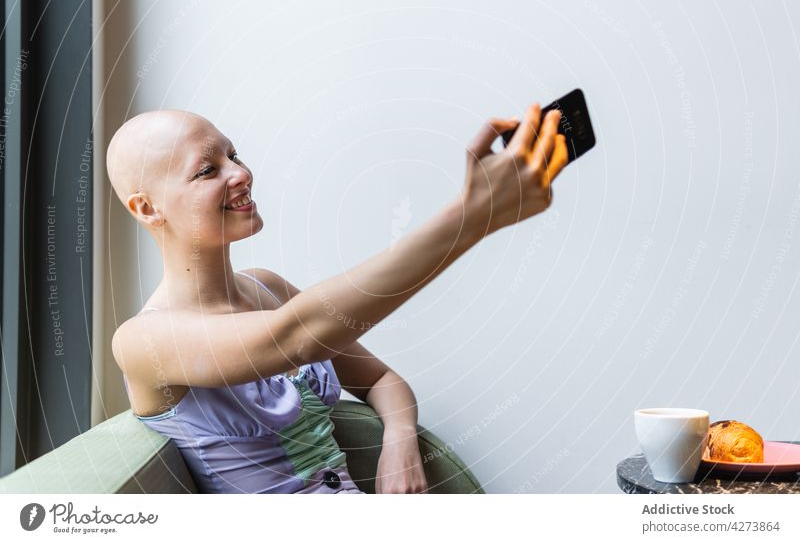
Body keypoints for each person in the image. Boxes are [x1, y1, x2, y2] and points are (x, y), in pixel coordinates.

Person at [106, 104, 568, 494]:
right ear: (147, 208)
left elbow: (381, 378)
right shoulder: (143, 341)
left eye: (233, 155)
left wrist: (400, 443)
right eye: (207, 170)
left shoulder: (267, 287)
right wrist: (471, 216)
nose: (242, 174)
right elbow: (294, 339)